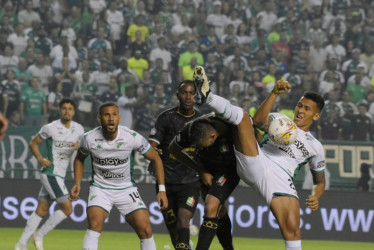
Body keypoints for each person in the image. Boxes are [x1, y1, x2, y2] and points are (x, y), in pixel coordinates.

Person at [192, 66, 326, 250]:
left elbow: (320, 181)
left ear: (316, 115)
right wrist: (274, 93)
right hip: (258, 160)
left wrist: (316, 195)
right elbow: (259, 122)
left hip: (282, 178)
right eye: (299, 105)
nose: (300, 111)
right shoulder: (281, 120)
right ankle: (207, 96)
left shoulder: (316, 146)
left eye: (307, 108)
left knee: (293, 234)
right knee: (243, 118)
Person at [70, 102, 167, 250]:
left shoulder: (132, 137)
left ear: (119, 118)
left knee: (145, 229)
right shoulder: (88, 138)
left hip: (126, 189)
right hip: (100, 188)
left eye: (114, 114)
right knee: (95, 223)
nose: (111, 118)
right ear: (99, 118)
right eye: (107, 115)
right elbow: (79, 159)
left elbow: (156, 158)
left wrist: (161, 190)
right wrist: (77, 183)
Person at [15, 98, 84, 250]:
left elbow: (83, 150)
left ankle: (20, 244)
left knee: (41, 210)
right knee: (68, 209)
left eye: (70, 109)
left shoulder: (79, 129)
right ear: (59, 110)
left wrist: (80, 145)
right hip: (51, 173)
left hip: (59, 175)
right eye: (64, 108)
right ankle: (39, 236)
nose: (67, 111)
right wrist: (40, 158)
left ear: (74, 111)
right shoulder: (50, 128)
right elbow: (33, 143)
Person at [169, 113, 239, 250]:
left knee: (211, 204)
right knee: (219, 210)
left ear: (213, 136)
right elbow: (173, 148)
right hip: (205, 167)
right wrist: (200, 170)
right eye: (197, 145)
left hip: (228, 167)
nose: (200, 148)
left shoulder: (229, 127)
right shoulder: (190, 130)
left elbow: (253, 133)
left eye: (203, 145)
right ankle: (229, 248)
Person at [148, 80, 202, 249]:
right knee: (173, 229)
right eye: (184, 93)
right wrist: (153, 153)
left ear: (196, 95)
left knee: (184, 217)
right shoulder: (165, 118)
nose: (188, 96)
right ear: (178, 95)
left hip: (191, 181)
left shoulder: (201, 120)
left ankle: (184, 245)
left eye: (191, 93)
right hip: (167, 181)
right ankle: (184, 246)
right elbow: (151, 146)